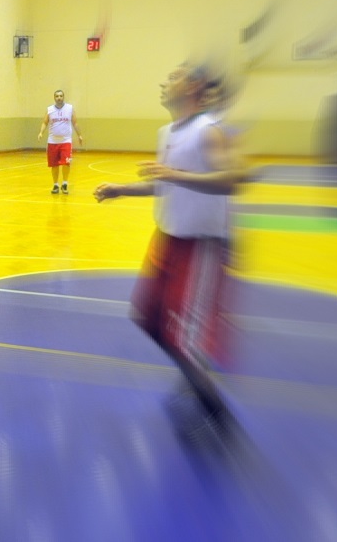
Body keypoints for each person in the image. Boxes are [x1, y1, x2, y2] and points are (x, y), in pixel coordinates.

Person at [93, 63, 247, 442]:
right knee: (149, 319)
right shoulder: (168, 132)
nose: (165, 82)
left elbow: (231, 179)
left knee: (183, 338)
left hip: (199, 246)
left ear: (193, 86)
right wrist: (121, 189)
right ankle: (193, 376)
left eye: (174, 77)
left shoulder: (207, 130)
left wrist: (172, 175)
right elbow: (166, 185)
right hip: (167, 241)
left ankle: (217, 414)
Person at [37, 89, 83, 194]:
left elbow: (75, 123)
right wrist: (41, 132)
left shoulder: (70, 108)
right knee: (54, 165)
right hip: (52, 141)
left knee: (66, 163)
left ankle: (65, 184)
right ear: (54, 98)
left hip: (66, 141)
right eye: (57, 96)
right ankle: (55, 185)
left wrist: (79, 135)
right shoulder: (49, 110)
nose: (59, 98)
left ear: (63, 97)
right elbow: (45, 122)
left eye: (61, 96)